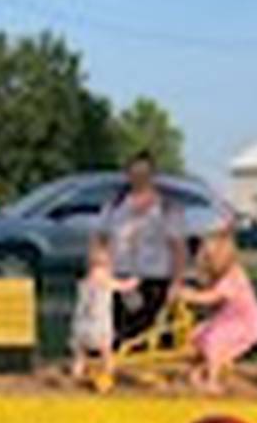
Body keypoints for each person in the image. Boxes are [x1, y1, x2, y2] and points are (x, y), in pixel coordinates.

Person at [98, 150, 187, 342]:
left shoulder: (167, 208)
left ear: (153, 175)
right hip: (121, 277)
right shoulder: (114, 207)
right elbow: (101, 241)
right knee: (122, 336)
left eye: (144, 173)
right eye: (134, 173)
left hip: (155, 279)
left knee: (155, 336)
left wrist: (177, 282)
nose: (139, 178)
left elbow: (178, 247)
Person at [177, 227, 257, 394]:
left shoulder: (233, 273)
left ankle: (211, 380)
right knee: (199, 336)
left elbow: (212, 296)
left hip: (244, 319)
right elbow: (203, 284)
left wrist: (188, 296)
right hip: (230, 316)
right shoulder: (218, 272)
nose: (205, 255)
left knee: (213, 340)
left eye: (209, 251)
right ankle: (199, 373)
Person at [68, 233, 137, 388]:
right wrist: (133, 282)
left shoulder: (87, 278)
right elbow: (120, 286)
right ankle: (107, 375)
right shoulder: (102, 277)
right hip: (98, 324)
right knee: (106, 352)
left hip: (81, 323)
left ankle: (75, 377)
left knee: (80, 355)